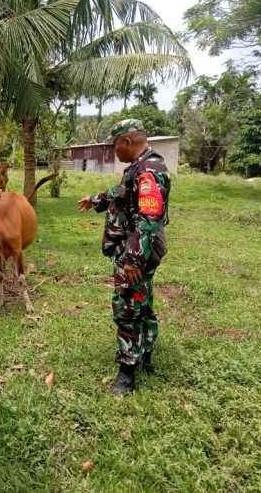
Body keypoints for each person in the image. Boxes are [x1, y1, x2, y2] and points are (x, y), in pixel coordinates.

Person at [78, 119, 171, 395]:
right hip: (140, 250)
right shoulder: (140, 167)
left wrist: (132, 259)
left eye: (115, 144)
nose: (114, 151)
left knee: (128, 307)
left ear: (127, 142)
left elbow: (148, 219)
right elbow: (121, 194)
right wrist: (96, 199)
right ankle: (145, 354)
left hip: (137, 252)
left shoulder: (149, 172)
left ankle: (127, 373)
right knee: (142, 300)